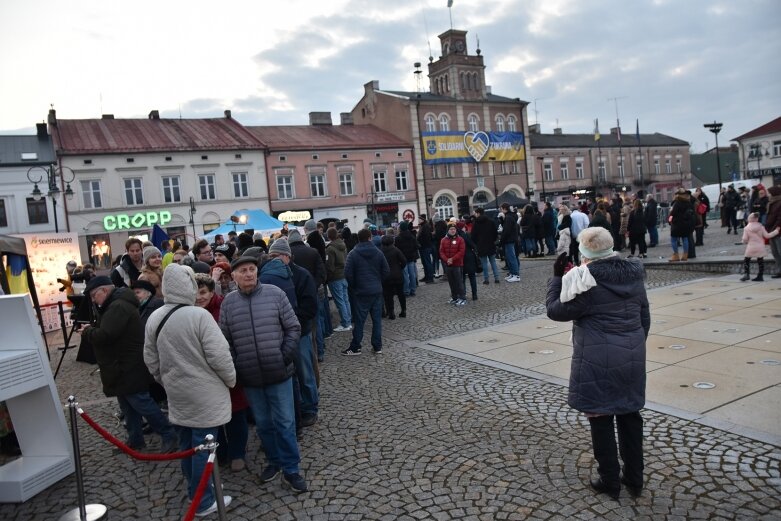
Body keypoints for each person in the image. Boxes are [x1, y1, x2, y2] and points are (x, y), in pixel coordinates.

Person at [546, 227, 649, 500]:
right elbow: (644, 316)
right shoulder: (634, 274)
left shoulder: (586, 281)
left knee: (601, 417)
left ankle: (609, 479)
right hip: (631, 355)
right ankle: (635, 478)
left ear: (585, 253)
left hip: (597, 358)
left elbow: (556, 311)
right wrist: (634, 344)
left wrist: (557, 279)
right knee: (629, 415)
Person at [144, 265, 236, 516]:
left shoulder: (155, 317)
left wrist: (166, 381)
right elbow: (220, 356)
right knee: (203, 446)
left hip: (177, 393)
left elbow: (150, 360)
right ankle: (203, 499)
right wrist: (231, 380)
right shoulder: (199, 316)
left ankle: (195, 488)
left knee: (188, 445)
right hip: (206, 394)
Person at [220, 255, 307, 494]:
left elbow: (293, 327)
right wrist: (237, 364)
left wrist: (283, 356)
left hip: (279, 372)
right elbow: (224, 339)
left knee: (285, 423)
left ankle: (291, 469)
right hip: (250, 377)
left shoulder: (275, 294)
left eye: (251, 269)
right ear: (234, 276)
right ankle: (274, 461)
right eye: (243, 271)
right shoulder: (229, 303)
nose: (248, 274)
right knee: (264, 424)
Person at [81, 276, 177, 453]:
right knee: (127, 404)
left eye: (94, 295)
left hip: (127, 365)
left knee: (141, 402)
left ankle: (168, 433)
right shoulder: (116, 304)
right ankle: (135, 439)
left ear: (104, 291)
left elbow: (105, 335)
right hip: (121, 364)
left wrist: (88, 331)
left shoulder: (118, 306)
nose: (94, 300)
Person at [192, 273, 249, 472]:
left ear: (211, 291)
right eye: (196, 293)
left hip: (229, 367)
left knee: (236, 414)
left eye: (203, 292)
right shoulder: (190, 313)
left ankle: (238, 453)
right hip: (206, 375)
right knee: (214, 418)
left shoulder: (224, 307)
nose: (199, 297)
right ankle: (221, 451)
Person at [342, 228, 389, 356]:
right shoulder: (378, 252)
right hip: (376, 290)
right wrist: (378, 282)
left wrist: (355, 286)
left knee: (360, 321)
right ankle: (377, 346)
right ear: (369, 238)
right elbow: (386, 270)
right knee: (377, 320)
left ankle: (356, 347)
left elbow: (347, 273)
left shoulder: (353, 253)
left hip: (361, 292)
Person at [325, 227, 352, 334]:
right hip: (344, 275)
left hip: (335, 277)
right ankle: (348, 321)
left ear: (329, 236)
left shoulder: (330, 249)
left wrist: (327, 276)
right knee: (345, 300)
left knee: (340, 301)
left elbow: (329, 266)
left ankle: (345, 323)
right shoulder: (343, 245)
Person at [740, 213, 780, 282]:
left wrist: (743, 241)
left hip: (751, 247)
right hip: (760, 246)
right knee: (760, 261)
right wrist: (776, 231)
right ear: (757, 219)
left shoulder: (746, 228)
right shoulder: (761, 227)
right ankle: (760, 276)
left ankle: (746, 274)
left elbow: (745, 239)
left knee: (746, 260)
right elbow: (767, 236)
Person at [380, 234, 407, 319]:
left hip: (386, 277)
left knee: (388, 295)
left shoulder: (380, 252)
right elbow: (404, 261)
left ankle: (391, 312)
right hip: (398, 275)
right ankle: (403, 311)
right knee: (401, 294)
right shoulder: (396, 250)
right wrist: (399, 268)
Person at [471, 207, 500, 284]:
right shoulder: (491, 221)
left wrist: (477, 242)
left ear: (478, 213)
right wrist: (492, 240)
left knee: (484, 263)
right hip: (490, 244)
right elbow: (495, 233)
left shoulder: (476, 223)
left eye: (476, 213)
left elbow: (473, 236)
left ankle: (486, 279)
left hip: (481, 245)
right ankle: (496, 278)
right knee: (493, 262)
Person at [440, 222, 467, 305]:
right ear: (448, 230)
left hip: (457, 264)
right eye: (451, 229)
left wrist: (452, 259)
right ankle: (454, 297)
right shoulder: (443, 240)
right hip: (448, 264)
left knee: (459, 282)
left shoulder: (460, 239)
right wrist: (447, 259)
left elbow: (461, 252)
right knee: (451, 282)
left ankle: (462, 298)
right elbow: (441, 251)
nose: (453, 231)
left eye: (454, 229)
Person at [668, 188, 694, 262]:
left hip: (677, 224)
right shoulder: (688, 203)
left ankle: (676, 255)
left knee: (673, 239)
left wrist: (669, 221)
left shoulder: (677, 203)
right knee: (685, 239)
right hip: (686, 224)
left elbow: (672, 214)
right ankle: (685, 255)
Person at [394, 221, 419, 297]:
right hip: (411, 258)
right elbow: (416, 246)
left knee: (405, 275)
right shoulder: (411, 236)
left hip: (403, 259)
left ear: (401, 228)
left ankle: (406, 291)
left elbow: (397, 249)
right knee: (412, 274)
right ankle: (413, 290)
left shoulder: (398, 238)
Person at [457, 220, 479, 301]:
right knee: (472, 277)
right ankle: (474, 294)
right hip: (469, 258)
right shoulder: (465, 235)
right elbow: (473, 245)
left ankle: (463, 294)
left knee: (462, 278)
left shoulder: (456, 236)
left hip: (460, 259)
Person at [499, 203, 520, 282]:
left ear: (504, 209)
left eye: (501, 209)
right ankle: (512, 273)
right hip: (510, 239)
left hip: (509, 240)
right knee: (509, 258)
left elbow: (506, 230)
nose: (501, 210)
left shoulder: (508, 217)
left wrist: (501, 240)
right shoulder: (510, 217)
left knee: (511, 258)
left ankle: (516, 275)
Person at [766, 186, 781, 279]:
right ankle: (779, 270)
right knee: (775, 252)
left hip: (777, 231)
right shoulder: (771, 203)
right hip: (771, 231)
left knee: (780, 251)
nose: (769, 195)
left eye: (770, 193)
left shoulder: (779, 203)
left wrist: (774, 229)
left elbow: (780, 218)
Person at [417, 215, 435, 283]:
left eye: (419, 219)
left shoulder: (426, 226)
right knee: (424, 263)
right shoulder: (422, 226)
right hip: (422, 247)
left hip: (425, 247)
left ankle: (430, 277)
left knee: (427, 262)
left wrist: (421, 243)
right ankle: (426, 276)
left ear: (422, 219)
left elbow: (426, 237)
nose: (418, 220)